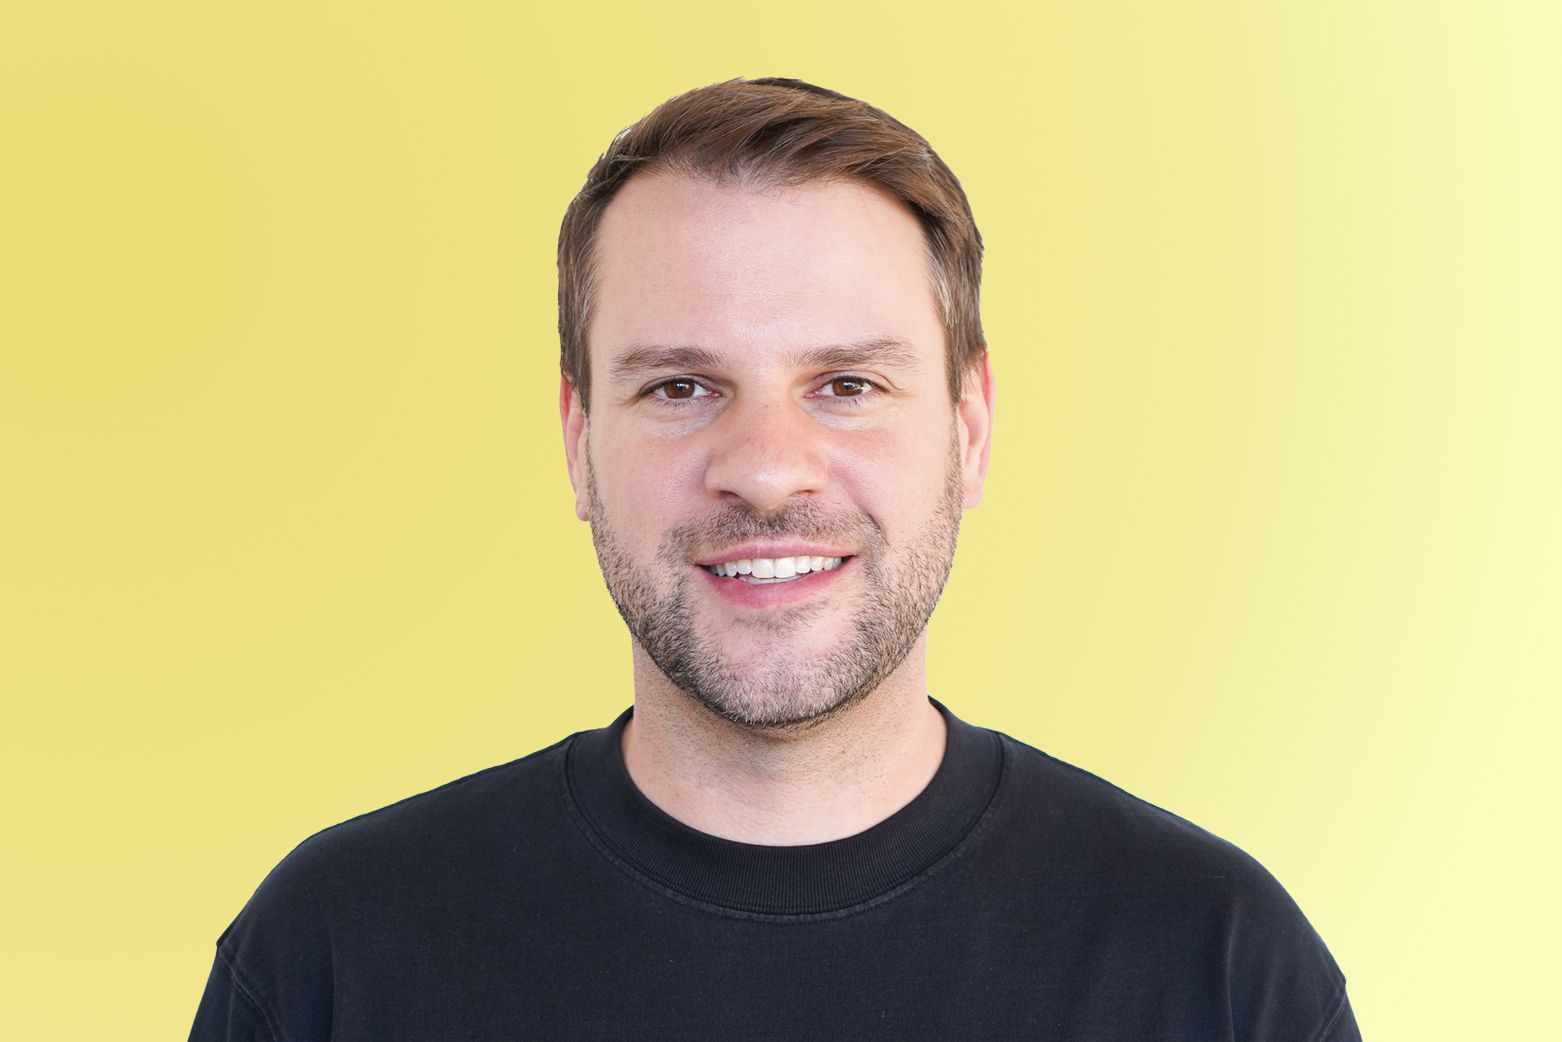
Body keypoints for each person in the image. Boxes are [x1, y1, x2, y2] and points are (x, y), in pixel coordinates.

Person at [189, 77, 1359, 1041]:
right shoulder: (331, 956)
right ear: (578, 442)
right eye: (679, 387)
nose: (763, 468)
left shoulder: (1216, 968)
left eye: (845, 384)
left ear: (968, 428)